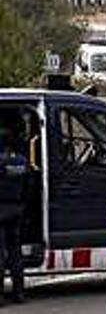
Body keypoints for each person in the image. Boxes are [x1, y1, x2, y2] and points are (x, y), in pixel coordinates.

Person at [0, 124, 28, 305]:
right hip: (17, 209)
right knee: (15, 252)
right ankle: (19, 293)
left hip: (0, 210)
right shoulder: (21, 161)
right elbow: (29, 185)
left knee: (0, 254)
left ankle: (0, 296)